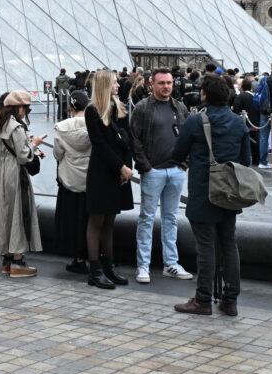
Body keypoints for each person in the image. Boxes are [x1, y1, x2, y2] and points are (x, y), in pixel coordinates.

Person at [171, 73, 253, 316]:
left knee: (205, 247)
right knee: (229, 244)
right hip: (229, 193)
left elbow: (177, 154)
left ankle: (203, 299)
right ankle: (230, 301)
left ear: (204, 95)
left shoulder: (195, 122)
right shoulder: (239, 123)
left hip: (202, 192)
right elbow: (246, 161)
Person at [129, 68, 194, 285]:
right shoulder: (142, 108)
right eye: (162, 83)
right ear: (152, 84)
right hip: (153, 171)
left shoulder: (180, 107)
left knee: (171, 218)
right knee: (146, 218)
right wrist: (146, 167)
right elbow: (135, 139)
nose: (166, 86)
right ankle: (143, 265)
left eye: (169, 83)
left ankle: (171, 264)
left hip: (176, 171)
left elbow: (187, 137)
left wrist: (184, 164)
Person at [83, 70, 135, 289]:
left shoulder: (119, 108)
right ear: (104, 85)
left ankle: (109, 267)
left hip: (118, 172)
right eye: (114, 83)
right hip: (102, 172)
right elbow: (100, 145)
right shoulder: (92, 111)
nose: (118, 85)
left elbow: (127, 140)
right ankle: (95, 270)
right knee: (97, 221)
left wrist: (126, 166)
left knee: (110, 221)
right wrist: (121, 167)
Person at [0, 90, 43, 276]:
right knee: (19, 213)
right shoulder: (16, 127)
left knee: (6, 213)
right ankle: (18, 263)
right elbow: (23, 155)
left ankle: (8, 260)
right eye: (26, 108)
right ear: (19, 107)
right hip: (15, 173)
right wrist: (34, 144)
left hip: (1, 171)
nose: (26, 112)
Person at [51, 89, 93, 275]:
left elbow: (58, 154)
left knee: (72, 220)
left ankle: (77, 258)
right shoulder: (93, 125)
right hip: (90, 181)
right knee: (89, 220)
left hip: (69, 180)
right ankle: (93, 255)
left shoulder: (61, 127)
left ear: (70, 107)